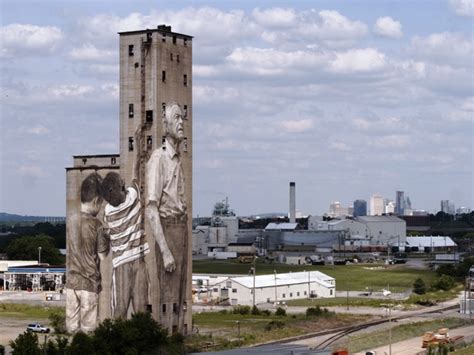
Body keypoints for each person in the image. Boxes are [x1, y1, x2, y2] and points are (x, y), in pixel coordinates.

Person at [145, 103, 188, 332]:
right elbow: (151, 208)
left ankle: (177, 337)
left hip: (181, 228)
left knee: (180, 296)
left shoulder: (177, 159)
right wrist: (165, 250)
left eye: (183, 118)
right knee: (168, 294)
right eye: (177, 119)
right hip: (168, 228)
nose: (181, 123)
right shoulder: (158, 159)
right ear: (167, 124)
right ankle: (164, 337)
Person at [101, 127, 150, 318]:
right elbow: (136, 169)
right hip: (133, 262)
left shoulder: (107, 212)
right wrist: (138, 146)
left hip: (125, 262)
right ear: (121, 186)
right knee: (135, 309)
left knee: (123, 309)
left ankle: (120, 339)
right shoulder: (133, 195)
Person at [66, 172, 108, 333]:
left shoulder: (70, 219)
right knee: (88, 330)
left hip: (71, 282)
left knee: (71, 328)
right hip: (89, 283)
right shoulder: (97, 224)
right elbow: (103, 255)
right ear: (97, 200)